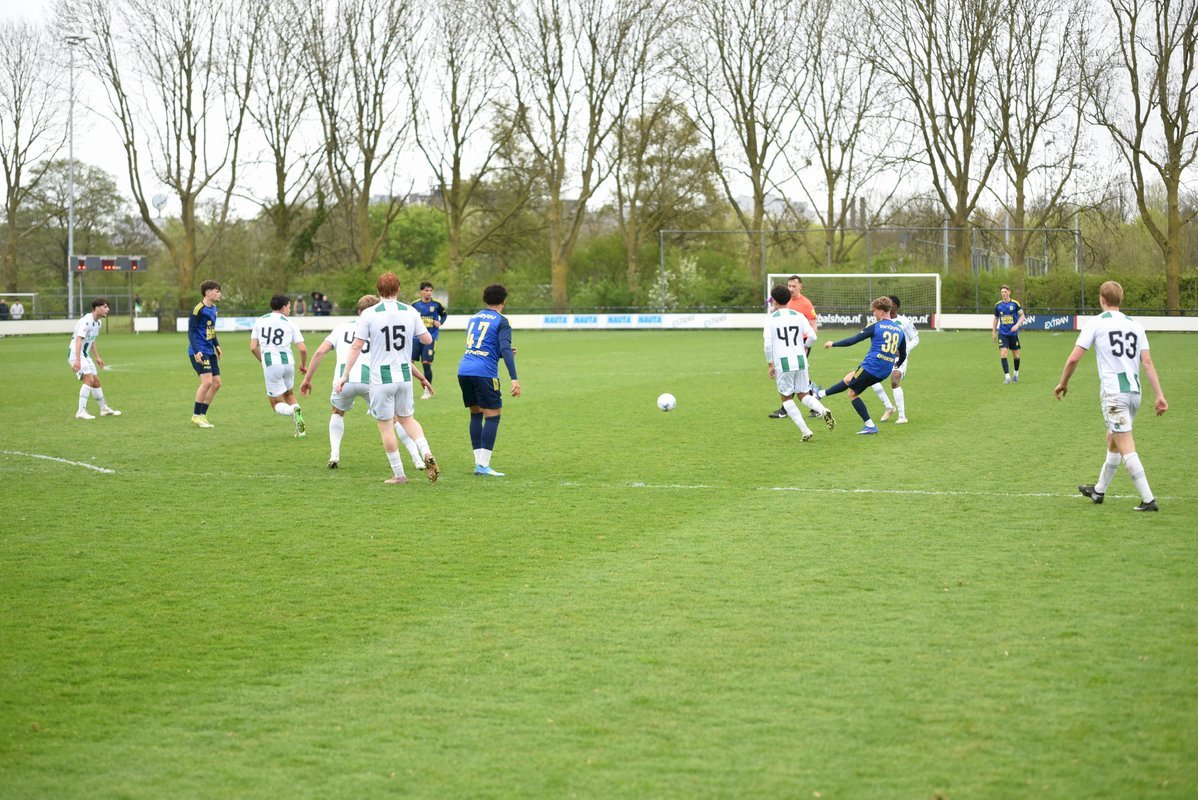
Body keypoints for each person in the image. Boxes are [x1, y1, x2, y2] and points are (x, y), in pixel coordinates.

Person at [1054, 281, 1167, 512]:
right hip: (1134, 392)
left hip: (1114, 394)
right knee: (1113, 440)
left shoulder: (1096, 323)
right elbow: (1147, 362)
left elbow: (1074, 358)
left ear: (1101, 299)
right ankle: (1099, 491)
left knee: (1125, 445)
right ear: (1120, 299)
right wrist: (1159, 395)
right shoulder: (1135, 325)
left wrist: (1063, 382)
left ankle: (1148, 500)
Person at [300, 294, 433, 470]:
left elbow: (319, 352)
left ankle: (334, 455)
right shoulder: (378, 327)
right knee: (396, 418)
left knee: (337, 411)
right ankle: (417, 459)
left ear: (358, 311)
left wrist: (307, 379)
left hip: (344, 381)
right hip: (372, 381)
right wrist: (422, 377)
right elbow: (400, 359)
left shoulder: (341, 328)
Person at [334, 272, 439, 484]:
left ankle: (399, 475)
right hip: (404, 374)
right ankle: (426, 451)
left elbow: (356, 346)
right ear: (398, 289)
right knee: (408, 419)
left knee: (386, 426)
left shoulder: (369, 314)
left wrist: (344, 375)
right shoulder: (410, 311)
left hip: (381, 378)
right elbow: (427, 339)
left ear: (378, 290)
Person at [814, 296, 906, 435]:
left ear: (881, 312)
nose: (873, 314)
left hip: (871, 367)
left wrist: (833, 344)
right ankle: (820, 394)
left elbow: (853, 340)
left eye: (874, 311)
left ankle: (870, 426)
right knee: (849, 378)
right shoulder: (899, 330)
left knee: (852, 393)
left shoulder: (875, 327)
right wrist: (897, 363)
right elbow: (903, 354)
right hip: (885, 370)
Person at [457, 284, 521, 476]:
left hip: (464, 369)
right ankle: (483, 465)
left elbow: (481, 346)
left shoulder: (474, 318)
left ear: (485, 299)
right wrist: (514, 378)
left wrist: (501, 353)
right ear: (504, 301)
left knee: (476, 414)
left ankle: (479, 462)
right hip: (484, 372)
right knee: (493, 416)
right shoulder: (502, 321)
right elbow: (505, 348)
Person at [764, 285, 835, 441]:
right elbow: (813, 336)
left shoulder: (771, 319)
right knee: (803, 394)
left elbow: (768, 345)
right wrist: (805, 346)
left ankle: (805, 431)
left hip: (783, 362)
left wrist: (770, 364)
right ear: (788, 299)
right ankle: (823, 410)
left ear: (774, 300)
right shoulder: (798, 316)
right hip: (800, 360)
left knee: (786, 398)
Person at [249, 294, 309, 437]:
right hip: (288, 363)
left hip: (271, 364)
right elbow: (302, 349)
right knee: (289, 394)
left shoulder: (260, 321)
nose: (290, 310)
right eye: (289, 307)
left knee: (275, 402)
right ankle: (300, 429)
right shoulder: (290, 323)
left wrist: (263, 360)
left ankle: (292, 411)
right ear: (283, 307)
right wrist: (303, 365)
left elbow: (253, 347)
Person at [769, 275, 820, 419]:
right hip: (787, 344)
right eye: (789, 286)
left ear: (800, 286)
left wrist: (806, 345)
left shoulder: (806, 304)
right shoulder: (785, 301)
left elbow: (813, 327)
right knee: (797, 374)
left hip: (801, 345)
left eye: (794, 286)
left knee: (792, 372)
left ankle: (785, 408)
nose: (791, 289)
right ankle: (814, 405)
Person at [68, 298, 122, 419]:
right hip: (76, 354)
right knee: (89, 380)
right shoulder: (86, 322)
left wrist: (97, 356)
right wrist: (77, 360)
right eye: (105, 307)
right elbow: (78, 340)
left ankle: (104, 409)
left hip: (85, 355)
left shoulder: (98, 323)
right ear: (97, 308)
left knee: (96, 382)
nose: (108, 309)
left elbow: (92, 340)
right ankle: (81, 411)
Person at [870, 295, 920, 424]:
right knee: (871, 379)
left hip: (900, 358)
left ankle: (902, 416)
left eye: (890, 304)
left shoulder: (904, 321)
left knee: (894, 379)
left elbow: (916, 338)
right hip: (884, 357)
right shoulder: (881, 321)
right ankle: (889, 407)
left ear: (896, 307)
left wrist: (904, 350)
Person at [188, 280, 223, 429]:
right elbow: (191, 332)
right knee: (207, 382)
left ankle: (202, 415)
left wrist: (217, 345)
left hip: (210, 349)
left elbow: (211, 330)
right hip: (199, 351)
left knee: (216, 383)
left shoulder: (214, 309)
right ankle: (196, 415)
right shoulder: (198, 309)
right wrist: (197, 351)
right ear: (208, 293)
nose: (219, 294)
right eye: (217, 291)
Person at [411, 281, 448, 400]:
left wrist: (440, 322)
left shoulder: (437, 304)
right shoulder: (414, 305)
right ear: (421, 292)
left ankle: (427, 390)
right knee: (409, 364)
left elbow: (444, 315)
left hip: (431, 338)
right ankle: (407, 390)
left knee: (426, 363)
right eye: (426, 290)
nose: (429, 293)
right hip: (416, 338)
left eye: (431, 290)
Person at [993, 284, 1026, 383]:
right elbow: (996, 318)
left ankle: (1016, 374)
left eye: (1005, 292)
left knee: (1016, 356)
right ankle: (1007, 377)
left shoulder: (1015, 304)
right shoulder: (998, 305)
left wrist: (1017, 325)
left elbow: (1022, 316)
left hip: (1013, 334)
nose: (1004, 294)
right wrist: (994, 331)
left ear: (1009, 292)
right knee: (1003, 354)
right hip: (1002, 333)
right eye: (1002, 292)